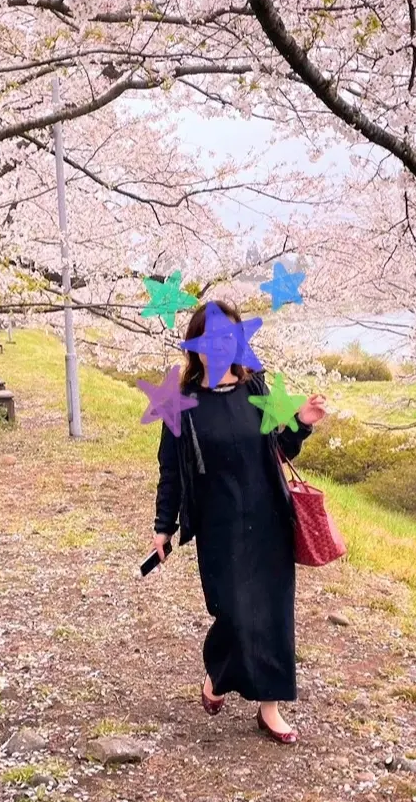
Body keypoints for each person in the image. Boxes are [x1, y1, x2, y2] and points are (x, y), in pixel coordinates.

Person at [151, 300, 327, 744]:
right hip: (218, 525)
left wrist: (301, 423)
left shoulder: (256, 387)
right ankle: (218, 672)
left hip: (269, 517)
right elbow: (171, 471)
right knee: (231, 613)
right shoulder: (181, 403)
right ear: (196, 346)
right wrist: (163, 525)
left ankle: (270, 708)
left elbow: (279, 447)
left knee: (273, 613)